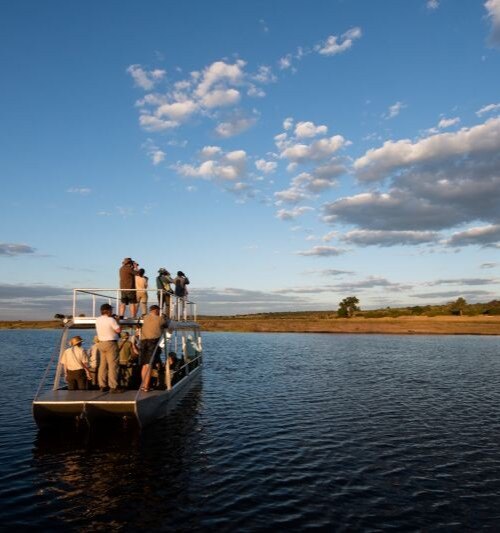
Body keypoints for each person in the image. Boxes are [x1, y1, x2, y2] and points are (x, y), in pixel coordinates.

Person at [140, 304, 168, 392]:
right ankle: (146, 387)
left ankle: (143, 384)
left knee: (144, 365)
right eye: (159, 310)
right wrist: (164, 317)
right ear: (156, 310)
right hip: (152, 343)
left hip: (143, 342)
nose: (159, 312)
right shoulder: (160, 319)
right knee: (149, 365)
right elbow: (166, 324)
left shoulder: (145, 318)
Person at [95, 303, 122, 393]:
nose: (112, 311)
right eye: (111, 310)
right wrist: (117, 321)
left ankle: (102, 385)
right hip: (110, 343)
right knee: (113, 365)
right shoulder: (111, 320)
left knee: (102, 365)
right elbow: (118, 330)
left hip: (101, 343)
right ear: (108, 311)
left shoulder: (97, 320)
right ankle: (113, 386)